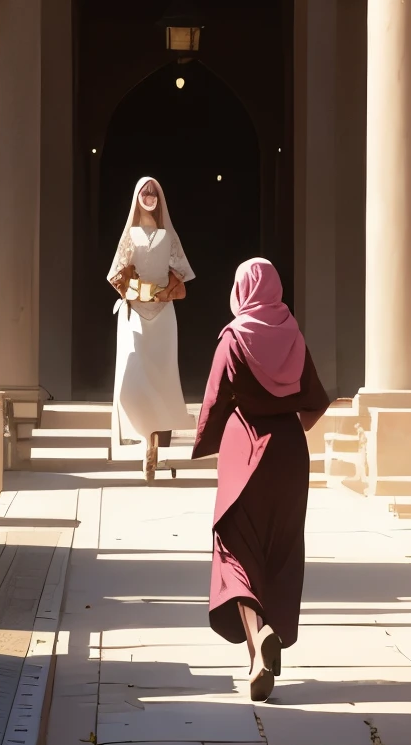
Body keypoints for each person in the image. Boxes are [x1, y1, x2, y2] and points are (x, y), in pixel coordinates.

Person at [193, 257, 329, 700]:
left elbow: (215, 400)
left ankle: (258, 648)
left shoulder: (233, 338)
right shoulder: (293, 333)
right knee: (281, 550)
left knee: (236, 552)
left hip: (245, 451)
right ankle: (267, 643)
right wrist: (292, 428)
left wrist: (207, 441)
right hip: (291, 454)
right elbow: (315, 398)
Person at [108, 176, 195, 480]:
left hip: (163, 315)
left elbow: (183, 273)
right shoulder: (129, 236)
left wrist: (165, 289)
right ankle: (146, 435)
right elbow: (116, 274)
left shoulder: (169, 237)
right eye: (144, 192)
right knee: (131, 381)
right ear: (136, 197)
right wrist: (133, 287)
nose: (149, 196)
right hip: (133, 313)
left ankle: (152, 444)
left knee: (161, 378)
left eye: (154, 191)